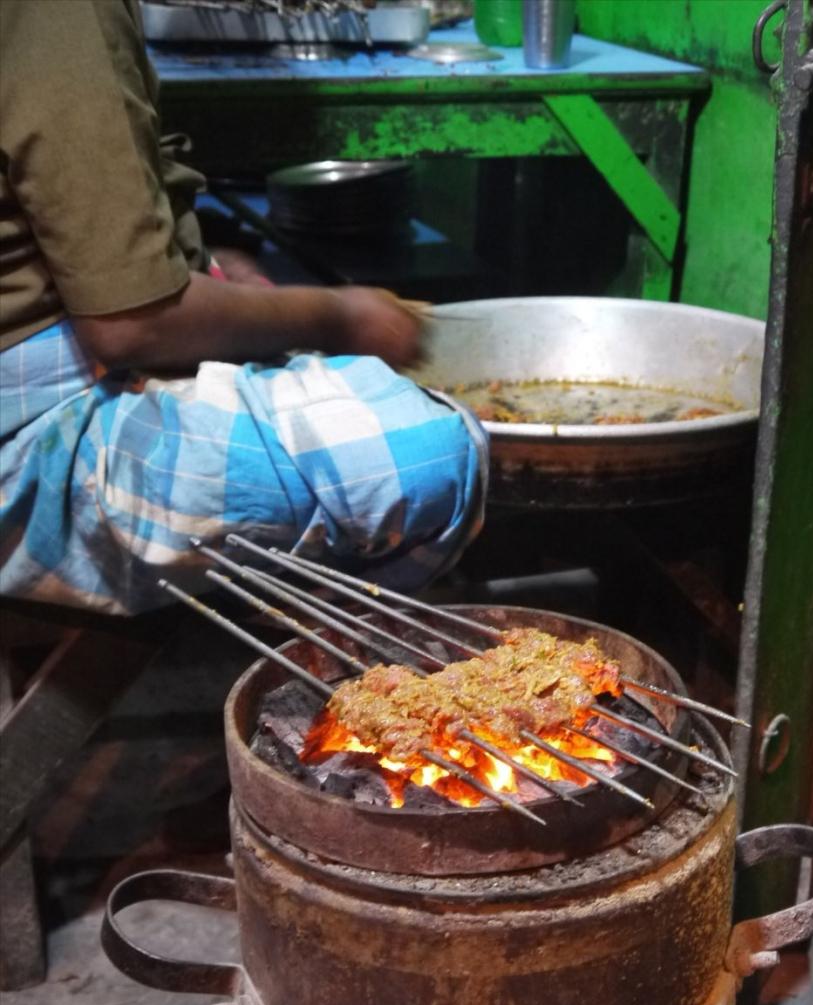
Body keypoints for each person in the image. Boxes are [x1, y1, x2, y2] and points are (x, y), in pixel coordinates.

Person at [0, 0, 488, 614]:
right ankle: (303, 655)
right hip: (28, 438)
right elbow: (132, 325)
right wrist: (341, 316)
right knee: (430, 454)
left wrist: (203, 261)